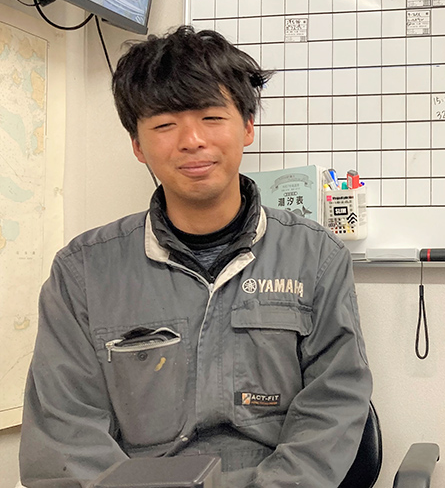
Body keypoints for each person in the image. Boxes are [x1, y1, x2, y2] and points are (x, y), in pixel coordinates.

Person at [19, 26, 372, 487]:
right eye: (165, 125)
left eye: (211, 117)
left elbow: (334, 404)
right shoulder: (82, 272)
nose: (191, 140)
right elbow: (66, 434)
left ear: (247, 127)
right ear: (138, 145)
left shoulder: (315, 256)